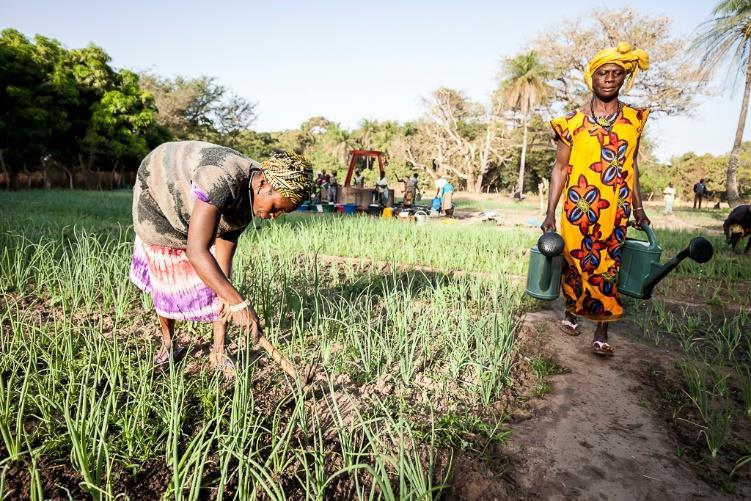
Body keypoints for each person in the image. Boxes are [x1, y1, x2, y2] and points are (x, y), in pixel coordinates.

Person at [130, 141, 313, 376]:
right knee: (167, 277)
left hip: (199, 204)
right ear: (264, 184)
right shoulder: (221, 179)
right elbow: (197, 252)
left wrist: (230, 296)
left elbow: (227, 239)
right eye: (277, 207)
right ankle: (168, 343)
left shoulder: (254, 195)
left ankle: (218, 351)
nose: (275, 216)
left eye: (281, 212)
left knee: (223, 285)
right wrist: (239, 303)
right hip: (160, 188)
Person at [541, 42, 650, 356]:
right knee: (575, 263)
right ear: (592, 78)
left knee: (608, 267)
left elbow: (631, 166)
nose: (610, 78)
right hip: (578, 207)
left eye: (617, 73)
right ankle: (571, 313)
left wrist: (639, 208)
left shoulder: (633, 121)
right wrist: (550, 212)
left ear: (623, 79)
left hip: (615, 209)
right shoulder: (572, 124)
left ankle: (602, 329)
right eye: (603, 73)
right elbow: (560, 168)